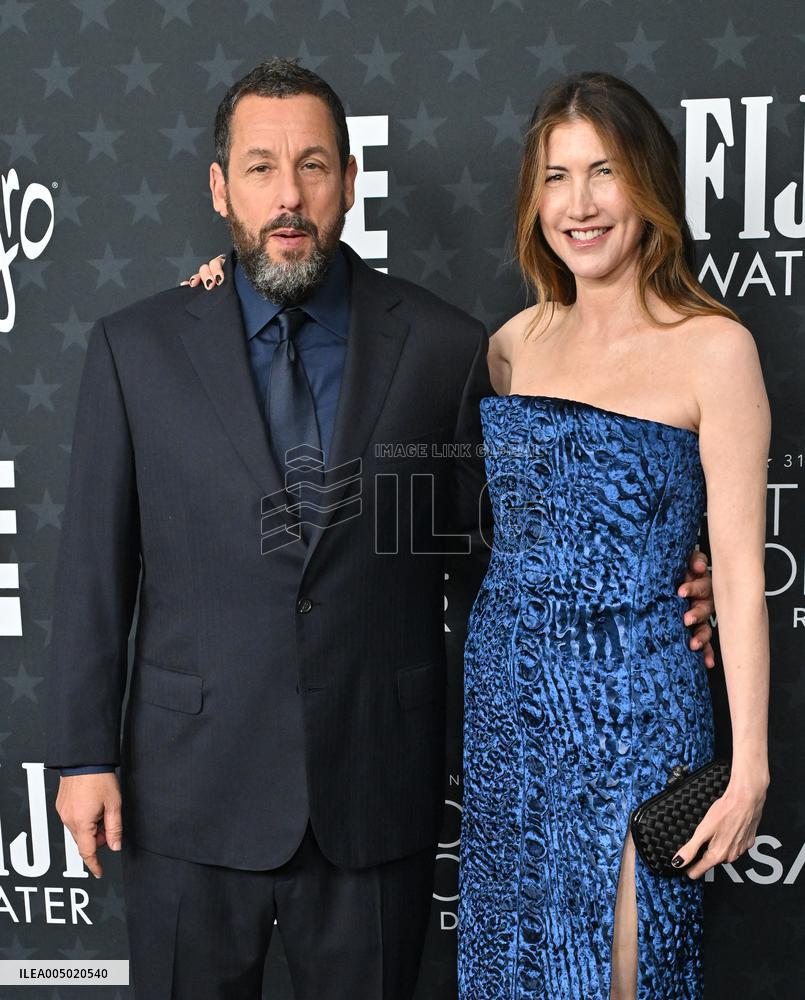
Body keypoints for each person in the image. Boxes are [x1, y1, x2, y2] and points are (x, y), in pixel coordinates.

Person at [46, 58, 716, 1000]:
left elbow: (506, 549)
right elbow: (91, 572)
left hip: (373, 794)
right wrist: (83, 757)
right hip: (187, 792)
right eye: (260, 168)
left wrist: (671, 580)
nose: (289, 195)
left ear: (351, 181)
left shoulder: (446, 346)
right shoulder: (137, 347)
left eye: (313, 166)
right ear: (218, 187)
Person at [457, 72, 770, 1000]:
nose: (579, 204)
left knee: (619, 974)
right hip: (507, 712)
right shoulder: (512, 344)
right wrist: (229, 284)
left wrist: (747, 764)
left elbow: (741, 575)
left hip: (637, 716)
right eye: (556, 176)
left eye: (604, 173)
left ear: (649, 187)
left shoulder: (715, 348)